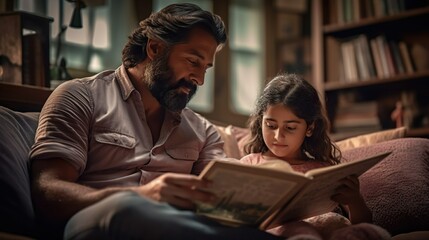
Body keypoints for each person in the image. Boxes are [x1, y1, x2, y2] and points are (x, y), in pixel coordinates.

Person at [29, 3, 285, 240]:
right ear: (154, 49)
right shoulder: (80, 96)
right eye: (192, 62)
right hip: (95, 220)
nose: (199, 79)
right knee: (129, 208)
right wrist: (139, 196)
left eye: (205, 68)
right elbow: (47, 192)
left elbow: (218, 198)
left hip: (175, 227)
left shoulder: (202, 131)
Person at [240, 73, 390, 240]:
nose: (277, 136)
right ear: (261, 121)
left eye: (290, 128)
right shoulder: (250, 164)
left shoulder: (322, 170)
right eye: (270, 125)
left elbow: (364, 221)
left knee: (368, 233)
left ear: (309, 128)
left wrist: (355, 200)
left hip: (331, 231)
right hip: (278, 234)